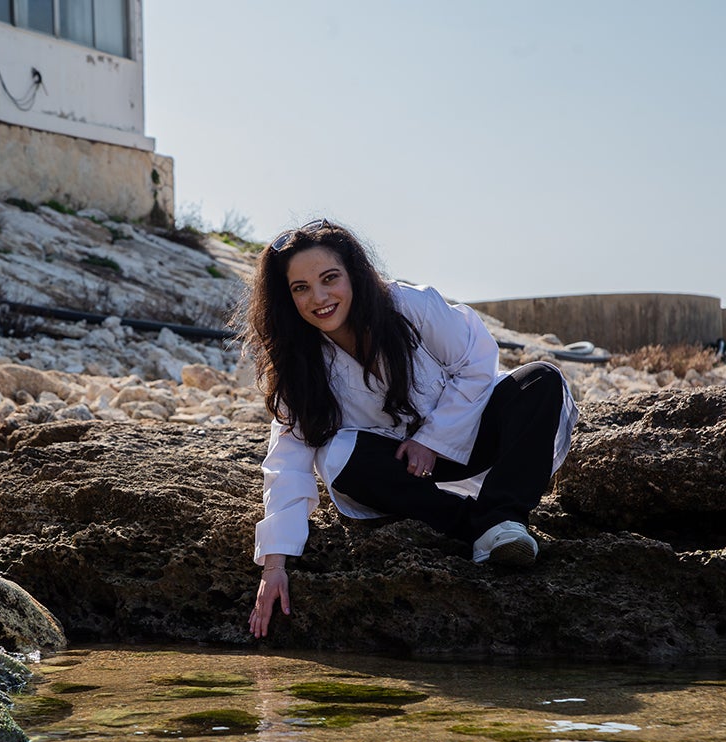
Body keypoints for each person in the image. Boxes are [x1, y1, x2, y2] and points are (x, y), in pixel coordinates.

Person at [239, 219, 578, 639]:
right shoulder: (299, 364)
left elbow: (476, 360)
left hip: (473, 437)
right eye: (301, 288)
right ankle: (475, 528)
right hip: (400, 472)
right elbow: (287, 460)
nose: (319, 298)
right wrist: (274, 566)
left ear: (354, 275)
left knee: (542, 380)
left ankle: (504, 520)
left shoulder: (408, 304)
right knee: (335, 454)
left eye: (330, 279)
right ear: (287, 299)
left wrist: (431, 439)